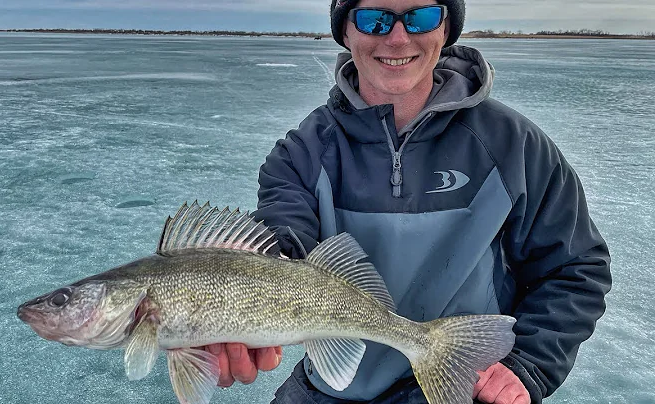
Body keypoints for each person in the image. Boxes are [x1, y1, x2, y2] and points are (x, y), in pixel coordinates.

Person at [204, 0, 612, 403]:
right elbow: (285, 243)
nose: (398, 38)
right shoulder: (301, 154)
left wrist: (528, 364)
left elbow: (575, 266)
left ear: (445, 27)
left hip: (463, 383)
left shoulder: (514, 146)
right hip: (332, 386)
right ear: (345, 30)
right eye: (374, 19)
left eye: (420, 17)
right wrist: (236, 271)